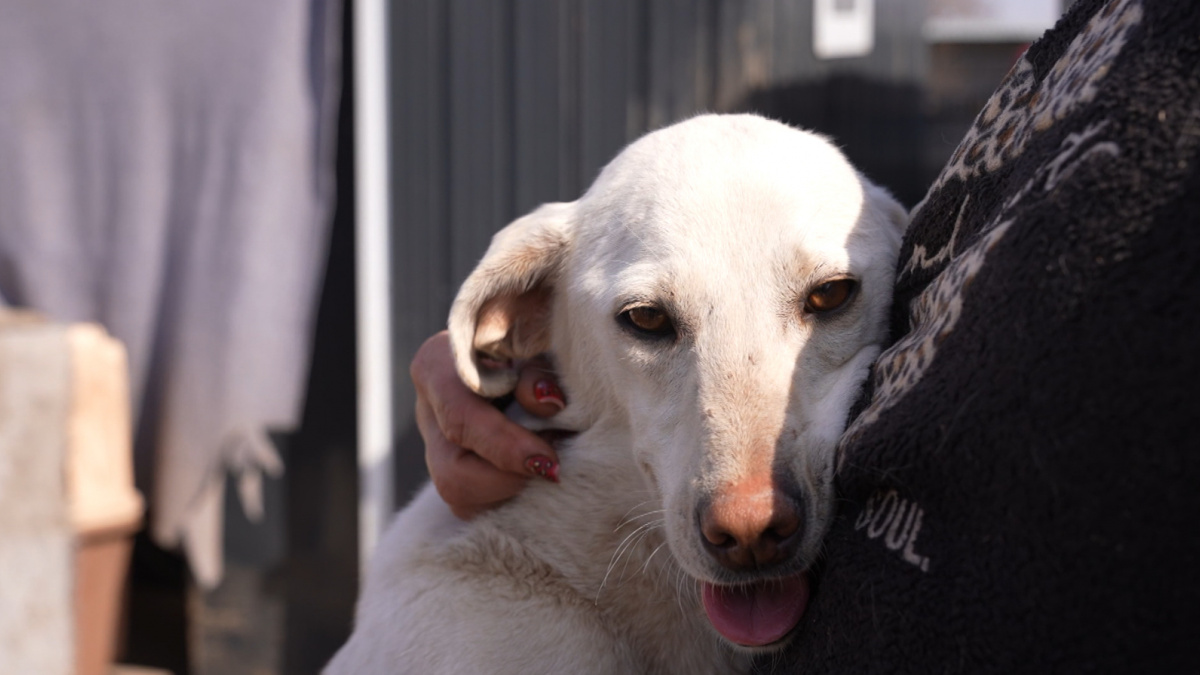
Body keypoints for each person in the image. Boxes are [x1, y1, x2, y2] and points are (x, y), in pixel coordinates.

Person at [411, 0, 1200, 670]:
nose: (749, 508)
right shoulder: (485, 626)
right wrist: (485, 351)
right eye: (649, 319)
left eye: (827, 297)